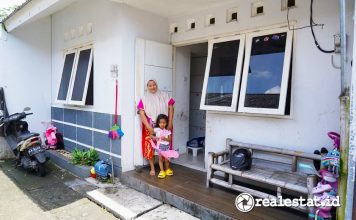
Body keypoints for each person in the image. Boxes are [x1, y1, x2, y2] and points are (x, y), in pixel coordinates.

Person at [137, 79, 175, 176]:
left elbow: (171, 107)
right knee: (150, 146)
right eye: (150, 85)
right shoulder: (144, 98)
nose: (152, 87)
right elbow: (141, 112)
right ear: (147, 87)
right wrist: (148, 126)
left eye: (154, 85)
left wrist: (170, 122)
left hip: (164, 124)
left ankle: (166, 168)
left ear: (156, 85)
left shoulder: (164, 95)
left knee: (165, 144)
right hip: (151, 124)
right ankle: (153, 168)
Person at [153, 114, 173, 179]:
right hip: (160, 146)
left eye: (164, 123)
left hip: (166, 146)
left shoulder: (167, 130)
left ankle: (167, 170)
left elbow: (170, 139)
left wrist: (165, 138)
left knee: (167, 159)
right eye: (160, 122)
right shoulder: (156, 130)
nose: (162, 124)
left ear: (166, 123)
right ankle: (162, 171)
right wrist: (155, 137)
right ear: (158, 123)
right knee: (161, 159)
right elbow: (150, 135)